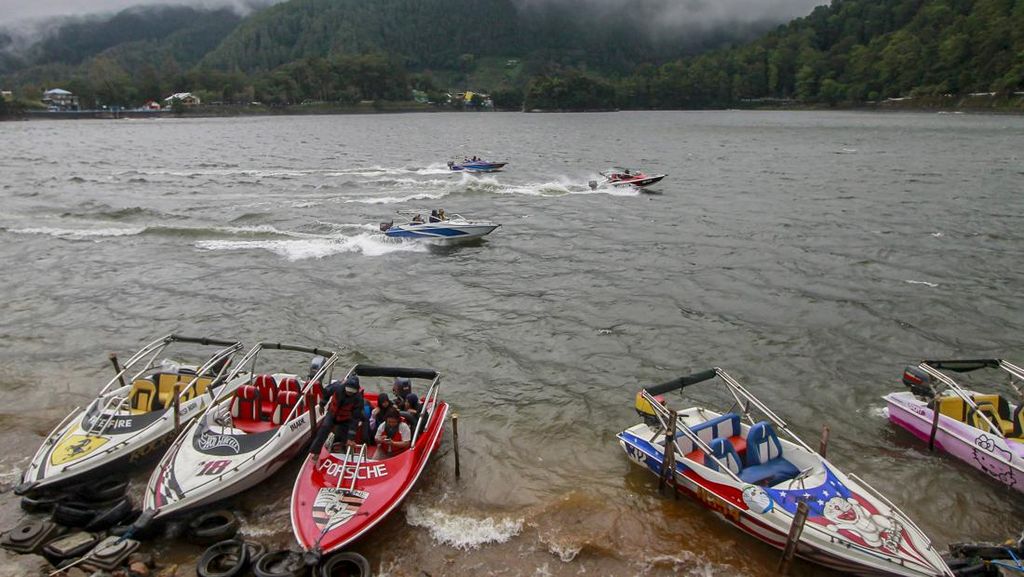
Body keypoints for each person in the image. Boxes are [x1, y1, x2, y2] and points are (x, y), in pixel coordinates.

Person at [309, 375, 365, 458]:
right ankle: (315, 452)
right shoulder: (337, 386)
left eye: (352, 391)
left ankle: (344, 451)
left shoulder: (358, 399)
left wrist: (351, 437)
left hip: (345, 418)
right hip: (332, 414)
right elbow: (327, 393)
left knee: (345, 435)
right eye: (348, 390)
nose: (349, 393)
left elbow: (355, 418)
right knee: (324, 428)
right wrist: (322, 404)